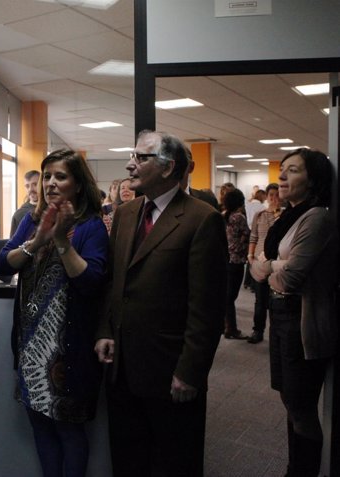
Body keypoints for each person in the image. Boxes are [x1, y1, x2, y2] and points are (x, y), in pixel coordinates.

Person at [95, 130, 227, 477]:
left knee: (173, 462)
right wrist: (106, 329)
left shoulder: (202, 219)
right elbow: (114, 281)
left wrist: (190, 371)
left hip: (171, 371)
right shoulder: (125, 214)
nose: (130, 164)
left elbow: (207, 307)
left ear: (168, 168)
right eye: (132, 156)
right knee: (127, 459)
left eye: (141, 157)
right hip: (122, 366)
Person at [0, 149, 107, 477]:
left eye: (61, 176)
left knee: (69, 431)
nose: (50, 184)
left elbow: (90, 282)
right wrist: (37, 241)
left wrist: (60, 239)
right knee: (41, 428)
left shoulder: (90, 226)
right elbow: (2, 264)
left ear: (78, 184)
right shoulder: (32, 220)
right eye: (47, 176)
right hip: (32, 347)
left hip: (70, 351)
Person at [250, 148, 338, 477]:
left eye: (294, 170)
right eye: (282, 169)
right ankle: (293, 468)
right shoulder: (288, 217)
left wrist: (270, 266)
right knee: (289, 400)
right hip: (281, 312)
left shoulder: (317, 217)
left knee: (301, 406)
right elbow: (257, 267)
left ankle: (302, 471)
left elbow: (289, 278)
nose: (282, 176)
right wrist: (272, 265)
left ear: (313, 180)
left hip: (302, 318)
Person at [246, 183, 280, 344]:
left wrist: (277, 215)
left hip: (276, 264)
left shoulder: (284, 215)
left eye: (277, 195)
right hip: (259, 263)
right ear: (266, 196)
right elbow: (253, 237)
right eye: (271, 195)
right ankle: (257, 331)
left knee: (275, 302)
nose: (274, 198)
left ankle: (276, 334)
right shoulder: (259, 215)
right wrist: (250, 256)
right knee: (260, 300)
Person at [222, 188, 250, 339]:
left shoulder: (224, 216)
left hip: (226, 259)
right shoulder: (239, 217)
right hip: (237, 261)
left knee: (226, 294)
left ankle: (225, 325)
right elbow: (247, 235)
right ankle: (231, 329)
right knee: (231, 296)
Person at [10, 170, 40, 237]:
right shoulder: (19, 215)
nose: (30, 189)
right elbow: (12, 246)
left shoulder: (54, 209)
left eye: (35, 184)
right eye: (27, 186)